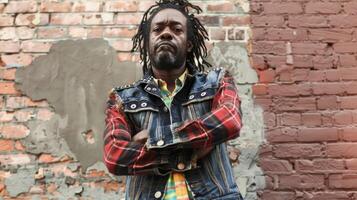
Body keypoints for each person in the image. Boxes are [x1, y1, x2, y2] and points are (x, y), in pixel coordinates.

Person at [103, 0, 243, 199]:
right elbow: (115, 156)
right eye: (157, 29)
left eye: (177, 29)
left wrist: (150, 140)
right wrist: (195, 145)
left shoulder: (217, 81)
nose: (166, 33)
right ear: (147, 42)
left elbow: (229, 121)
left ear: (189, 44)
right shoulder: (122, 99)